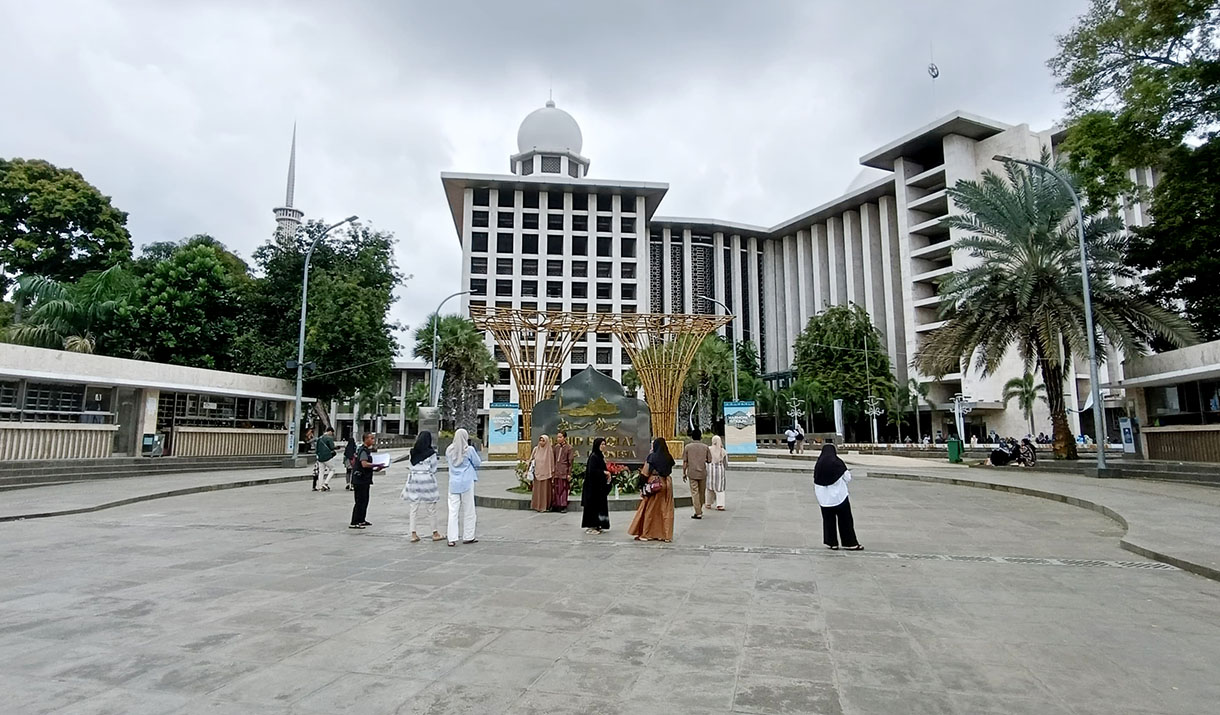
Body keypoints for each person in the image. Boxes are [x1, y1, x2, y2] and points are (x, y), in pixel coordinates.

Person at [813, 444, 861, 550]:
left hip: (824, 499)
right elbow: (847, 478)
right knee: (845, 520)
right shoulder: (837, 462)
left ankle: (832, 543)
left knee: (828, 521)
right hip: (840, 497)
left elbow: (816, 479)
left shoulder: (819, 463)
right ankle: (850, 543)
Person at [628, 438, 675, 542]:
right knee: (665, 510)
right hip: (666, 483)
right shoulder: (668, 457)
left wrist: (641, 486)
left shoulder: (652, 457)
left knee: (650, 509)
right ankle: (665, 534)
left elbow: (645, 473)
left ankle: (647, 533)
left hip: (655, 483)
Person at [403, 431, 443, 543]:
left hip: (414, 479)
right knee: (431, 508)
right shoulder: (431, 453)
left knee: (413, 508)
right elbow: (434, 468)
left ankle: (413, 533)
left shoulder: (412, 452)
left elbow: (410, 465)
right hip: (427, 480)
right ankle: (435, 532)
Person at [446, 428, 482, 546]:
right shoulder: (469, 450)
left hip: (453, 483)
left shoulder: (449, 450)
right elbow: (477, 463)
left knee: (453, 511)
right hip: (467, 482)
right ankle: (468, 536)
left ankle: (451, 538)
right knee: (469, 510)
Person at [350, 432, 384, 529]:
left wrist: (376, 469)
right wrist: (376, 465)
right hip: (360, 480)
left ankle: (361, 520)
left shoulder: (365, 450)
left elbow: (366, 466)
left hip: (364, 479)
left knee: (365, 500)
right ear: (366, 439)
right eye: (371, 438)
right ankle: (355, 521)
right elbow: (364, 464)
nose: (373, 440)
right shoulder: (363, 451)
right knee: (360, 501)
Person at [581, 437, 611, 534]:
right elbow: (592, 472)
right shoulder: (593, 456)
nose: (603, 446)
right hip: (593, 488)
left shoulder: (599, 456)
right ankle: (592, 526)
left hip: (599, 488)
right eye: (601, 444)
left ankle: (598, 525)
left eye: (604, 444)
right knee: (593, 506)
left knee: (599, 506)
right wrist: (604, 473)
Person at [682, 429, 711, 519]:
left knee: (695, 492)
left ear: (692, 437)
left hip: (692, 472)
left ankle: (698, 512)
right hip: (702, 472)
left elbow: (685, 462)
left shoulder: (688, 447)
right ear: (701, 436)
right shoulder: (705, 447)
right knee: (702, 492)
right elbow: (709, 460)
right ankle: (700, 509)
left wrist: (684, 473)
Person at [529, 434, 555, 513]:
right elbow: (531, 460)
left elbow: (551, 463)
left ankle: (545, 506)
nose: (541, 442)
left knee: (545, 491)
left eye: (543, 440)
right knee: (537, 490)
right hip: (537, 473)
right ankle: (536, 506)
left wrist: (552, 473)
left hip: (546, 474)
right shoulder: (536, 449)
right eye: (540, 440)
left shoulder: (549, 451)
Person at [552, 430, 573, 513]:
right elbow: (554, 459)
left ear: (564, 438)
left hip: (564, 471)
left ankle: (563, 505)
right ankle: (556, 504)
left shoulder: (569, 448)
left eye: (560, 437)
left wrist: (569, 473)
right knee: (556, 488)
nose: (558, 439)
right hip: (556, 470)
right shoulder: (556, 447)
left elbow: (570, 461)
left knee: (563, 488)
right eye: (558, 437)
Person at [706, 435, 728, 511]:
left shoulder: (709, 449)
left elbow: (706, 459)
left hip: (710, 469)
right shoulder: (723, 451)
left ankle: (708, 503)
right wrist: (724, 467)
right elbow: (725, 463)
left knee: (709, 486)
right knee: (720, 488)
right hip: (719, 469)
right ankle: (720, 505)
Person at [315, 427, 338, 492]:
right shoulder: (329, 438)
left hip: (320, 457)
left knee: (321, 472)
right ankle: (325, 483)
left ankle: (319, 486)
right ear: (330, 431)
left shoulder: (319, 438)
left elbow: (316, 448)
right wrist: (336, 448)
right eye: (332, 433)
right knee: (332, 469)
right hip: (327, 457)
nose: (332, 434)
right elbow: (332, 447)